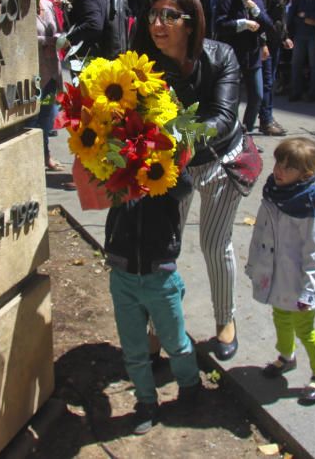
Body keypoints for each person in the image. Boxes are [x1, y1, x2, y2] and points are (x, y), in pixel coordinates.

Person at [131, 0, 247, 361]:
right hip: (168, 168)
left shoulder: (221, 56)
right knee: (161, 248)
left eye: (169, 16)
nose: (157, 24)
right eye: (153, 15)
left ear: (191, 22)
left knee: (215, 245)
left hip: (216, 160)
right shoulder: (145, 60)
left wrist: (175, 134)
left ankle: (225, 320)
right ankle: (157, 327)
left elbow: (225, 118)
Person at [104, 171, 200, 435]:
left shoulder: (166, 171)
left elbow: (185, 185)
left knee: (176, 342)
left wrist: (157, 158)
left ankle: (190, 387)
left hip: (160, 276)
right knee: (134, 348)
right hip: (123, 275)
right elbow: (98, 184)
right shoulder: (119, 163)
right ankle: (146, 402)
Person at [245, 137, 315, 405]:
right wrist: (253, 262)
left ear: (305, 173)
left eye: (288, 167)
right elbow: (260, 230)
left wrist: (310, 290)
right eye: (278, 163)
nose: (279, 171)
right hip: (276, 272)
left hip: (300, 279)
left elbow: (314, 251)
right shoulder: (273, 192)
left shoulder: (311, 205)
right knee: (280, 316)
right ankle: (286, 356)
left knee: (305, 328)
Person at [212, 0, 274, 134]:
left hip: (252, 55)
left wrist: (256, 13)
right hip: (233, 55)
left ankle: (245, 133)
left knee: (257, 96)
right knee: (233, 99)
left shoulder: (257, 0)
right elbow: (219, 25)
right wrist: (243, 23)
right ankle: (232, 136)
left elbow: (268, 25)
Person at [255, 0, 293, 136]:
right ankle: (266, 119)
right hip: (267, 44)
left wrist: (284, 36)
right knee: (267, 83)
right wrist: (263, 43)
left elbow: (279, 19)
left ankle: (268, 115)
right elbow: (261, 19)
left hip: (275, 41)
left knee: (270, 81)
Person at [32, 0, 63, 171]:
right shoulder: (22, 6)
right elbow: (22, 36)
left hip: (51, 72)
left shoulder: (48, 4)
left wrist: (60, 38)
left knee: (46, 117)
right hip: (35, 72)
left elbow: (57, 31)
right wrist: (48, 40)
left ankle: (46, 155)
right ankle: (34, 159)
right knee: (32, 120)